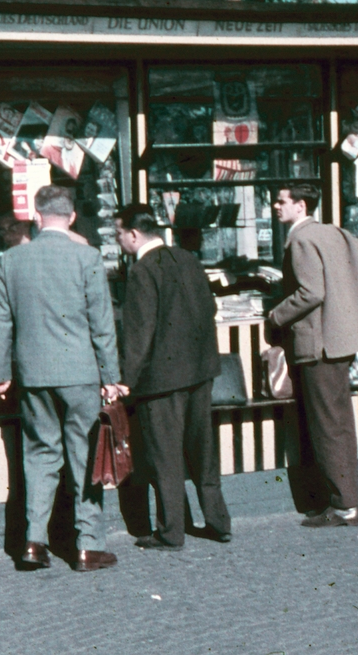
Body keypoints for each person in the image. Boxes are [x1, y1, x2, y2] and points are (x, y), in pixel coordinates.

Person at [0, 184, 125, 572]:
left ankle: (33, 541)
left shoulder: (13, 260)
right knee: (86, 456)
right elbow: (102, 324)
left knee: (39, 455)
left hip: (33, 375)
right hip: (80, 373)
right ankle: (88, 546)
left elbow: (1, 323)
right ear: (73, 217)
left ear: (36, 216)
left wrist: (1, 374)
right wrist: (111, 375)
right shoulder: (88, 257)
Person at [266, 182, 358, 529]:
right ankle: (345, 500)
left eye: (281, 201)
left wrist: (275, 316)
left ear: (301, 206)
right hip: (337, 343)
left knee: (327, 428)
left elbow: (311, 291)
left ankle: (344, 506)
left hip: (316, 345)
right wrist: (351, 307)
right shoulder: (333, 232)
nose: (275, 206)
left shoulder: (301, 240)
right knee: (338, 424)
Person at [113, 204, 231, 550]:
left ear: (134, 235)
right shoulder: (187, 258)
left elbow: (139, 333)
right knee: (202, 451)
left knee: (165, 455)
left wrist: (126, 380)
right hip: (199, 372)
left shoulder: (141, 271)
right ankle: (218, 521)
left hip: (161, 380)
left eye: (119, 234)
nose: (119, 241)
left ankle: (171, 531)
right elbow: (208, 309)